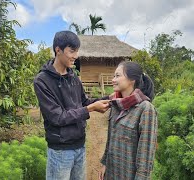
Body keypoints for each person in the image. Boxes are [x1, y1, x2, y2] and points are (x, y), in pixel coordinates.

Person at [33, 30, 110, 180]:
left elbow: (84, 102)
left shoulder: (73, 76)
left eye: (77, 51)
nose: (76, 56)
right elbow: (58, 117)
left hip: (80, 146)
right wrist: (90, 109)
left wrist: (109, 98)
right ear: (58, 50)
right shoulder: (42, 81)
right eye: (72, 51)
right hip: (61, 151)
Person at [99, 61, 158, 180]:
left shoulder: (145, 109)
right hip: (111, 173)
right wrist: (105, 163)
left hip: (129, 175)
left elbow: (146, 156)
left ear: (132, 80)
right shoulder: (116, 105)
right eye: (113, 76)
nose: (113, 79)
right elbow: (110, 140)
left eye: (117, 76)